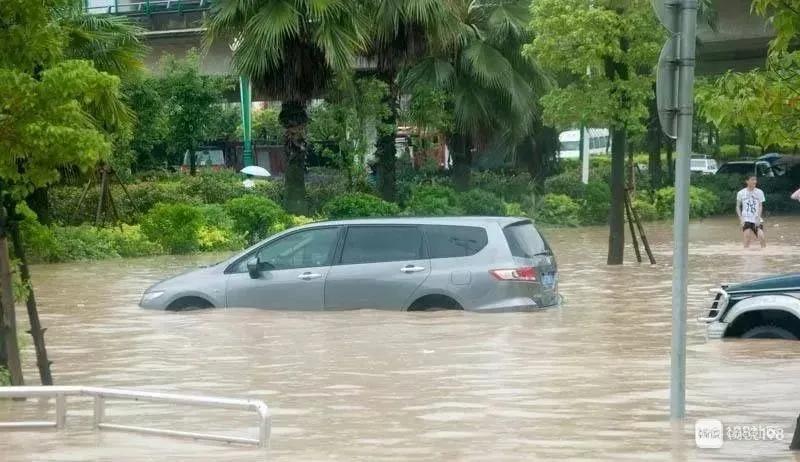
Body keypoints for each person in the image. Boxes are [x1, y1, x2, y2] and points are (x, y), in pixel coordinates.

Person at [736, 175, 766, 248]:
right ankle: (746, 255)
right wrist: (741, 219)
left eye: (755, 180)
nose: (754, 181)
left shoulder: (759, 192)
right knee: (747, 238)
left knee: (761, 236)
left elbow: (760, 205)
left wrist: (758, 217)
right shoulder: (741, 193)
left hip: (756, 217)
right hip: (746, 218)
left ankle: (764, 254)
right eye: (752, 180)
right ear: (747, 181)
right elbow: (737, 206)